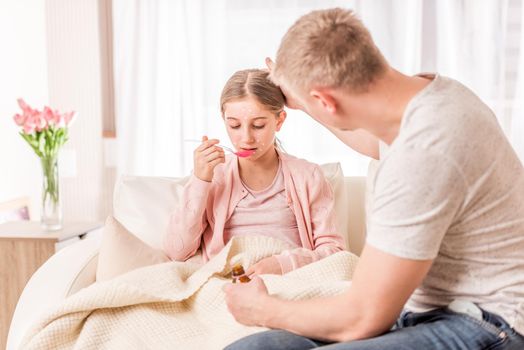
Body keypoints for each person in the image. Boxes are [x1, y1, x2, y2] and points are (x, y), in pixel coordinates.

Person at [223, 8, 524, 350]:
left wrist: (263, 309)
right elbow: (375, 141)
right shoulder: (434, 97)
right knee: (257, 347)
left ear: (327, 99)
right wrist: (306, 102)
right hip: (429, 309)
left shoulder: (425, 152)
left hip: (490, 323)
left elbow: (363, 317)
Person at [163, 68, 345, 277]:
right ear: (224, 120)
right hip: (229, 284)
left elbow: (335, 254)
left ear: (279, 120)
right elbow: (177, 252)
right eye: (234, 125)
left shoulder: (308, 176)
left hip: (290, 282)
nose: (246, 138)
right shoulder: (215, 177)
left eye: (258, 125)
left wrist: (283, 264)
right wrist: (199, 180)